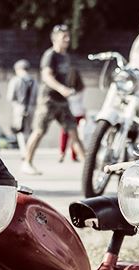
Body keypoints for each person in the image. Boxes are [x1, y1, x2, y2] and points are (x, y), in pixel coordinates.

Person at [21, 24, 84, 175]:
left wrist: (71, 88)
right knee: (39, 131)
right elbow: (46, 76)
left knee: (73, 131)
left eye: (68, 36)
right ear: (55, 39)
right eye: (64, 37)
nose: (68, 39)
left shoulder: (66, 57)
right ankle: (27, 163)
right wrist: (61, 88)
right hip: (48, 100)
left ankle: (87, 165)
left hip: (63, 102)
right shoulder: (50, 55)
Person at [7, 59, 38, 150]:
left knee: (20, 130)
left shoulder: (15, 80)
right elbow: (36, 96)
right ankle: (29, 149)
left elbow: (10, 97)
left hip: (19, 107)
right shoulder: (34, 81)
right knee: (28, 130)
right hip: (31, 107)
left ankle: (24, 151)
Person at [60, 69, 85, 162]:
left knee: (67, 134)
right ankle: (72, 155)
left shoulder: (67, 88)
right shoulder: (81, 88)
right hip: (77, 113)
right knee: (73, 135)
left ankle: (64, 154)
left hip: (71, 113)